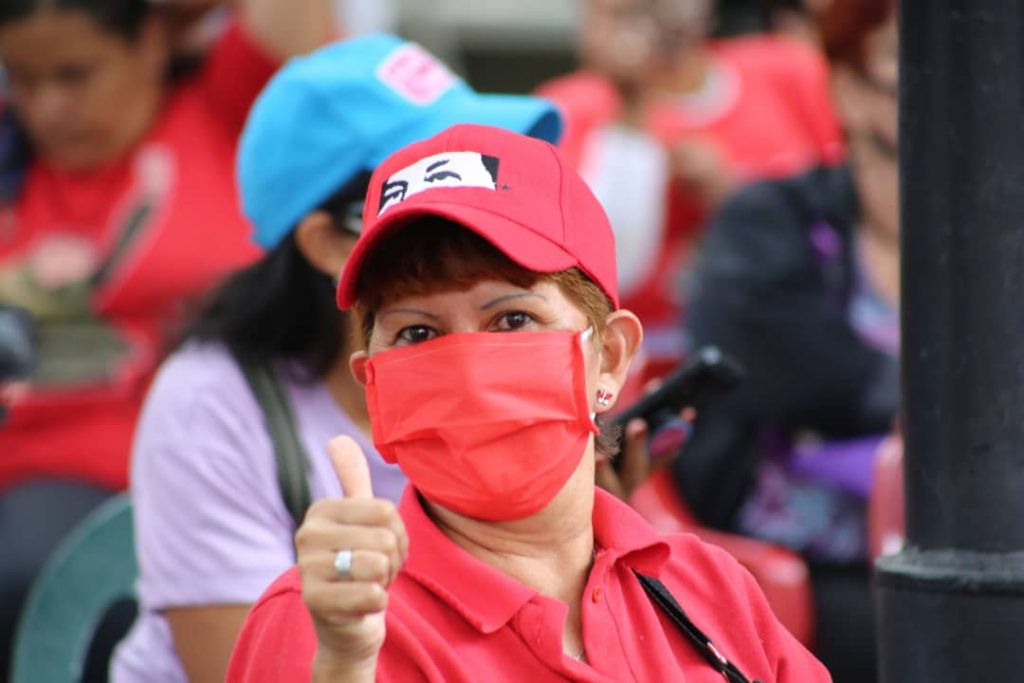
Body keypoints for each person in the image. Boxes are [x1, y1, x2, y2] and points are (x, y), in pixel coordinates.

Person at [226, 123, 831, 682]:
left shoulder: (708, 587)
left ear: (610, 357)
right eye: (417, 332)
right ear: (373, 382)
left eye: (512, 318)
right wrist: (342, 665)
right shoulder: (326, 622)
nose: (466, 370)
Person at [112, 36, 564, 683]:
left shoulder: (527, 358)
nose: (484, 220)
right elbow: (250, 671)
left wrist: (584, 520)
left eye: (490, 182)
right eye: (435, 200)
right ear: (328, 241)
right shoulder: (208, 402)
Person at [0, 0, 332, 672]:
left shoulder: (228, 106)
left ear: (152, 42)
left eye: (74, 75)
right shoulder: (14, 157)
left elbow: (295, 21)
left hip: (173, 478)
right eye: (22, 79)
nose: (46, 108)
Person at [676, 0, 897, 679]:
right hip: (805, 555)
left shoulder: (1000, 230)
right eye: (906, 69)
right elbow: (776, 362)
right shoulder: (771, 218)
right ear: (848, 89)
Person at [539, 0, 842, 375]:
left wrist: (738, 196)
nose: (640, 28)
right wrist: (630, 107)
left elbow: (854, 215)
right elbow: (590, 267)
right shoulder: (565, 109)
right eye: (616, 15)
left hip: (787, 347)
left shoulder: (787, 70)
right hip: (636, 362)